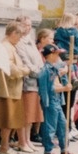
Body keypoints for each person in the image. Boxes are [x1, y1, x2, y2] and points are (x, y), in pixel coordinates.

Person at [0, 22, 31, 154]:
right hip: (9, 88)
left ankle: (5, 146)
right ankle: (4, 147)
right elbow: (10, 68)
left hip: (11, 88)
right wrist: (25, 70)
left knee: (10, 119)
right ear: (14, 33)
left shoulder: (8, 46)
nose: (19, 40)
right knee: (7, 119)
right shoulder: (6, 47)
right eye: (19, 36)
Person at [38, 44, 74, 154]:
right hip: (51, 100)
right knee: (50, 125)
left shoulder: (54, 67)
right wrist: (64, 88)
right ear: (50, 55)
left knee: (62, 124)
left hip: (57, 100)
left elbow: (64, 66)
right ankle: (48, 150)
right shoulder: (45, 70)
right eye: (56, 54)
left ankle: (64, 149)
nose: (58, 56)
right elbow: (48, 89)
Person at [14, 16, 46, 145]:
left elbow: (38, 59)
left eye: (30, 25)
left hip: (35, 80)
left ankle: (27, 140)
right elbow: (25, 61)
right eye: (25, 25)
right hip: (27, 80)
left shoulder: (30, 40)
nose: (28, 28)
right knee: (26, 114)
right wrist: (39, 73)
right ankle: (22, 141)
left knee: (32, 115)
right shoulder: (19, 42)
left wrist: (41, 70)